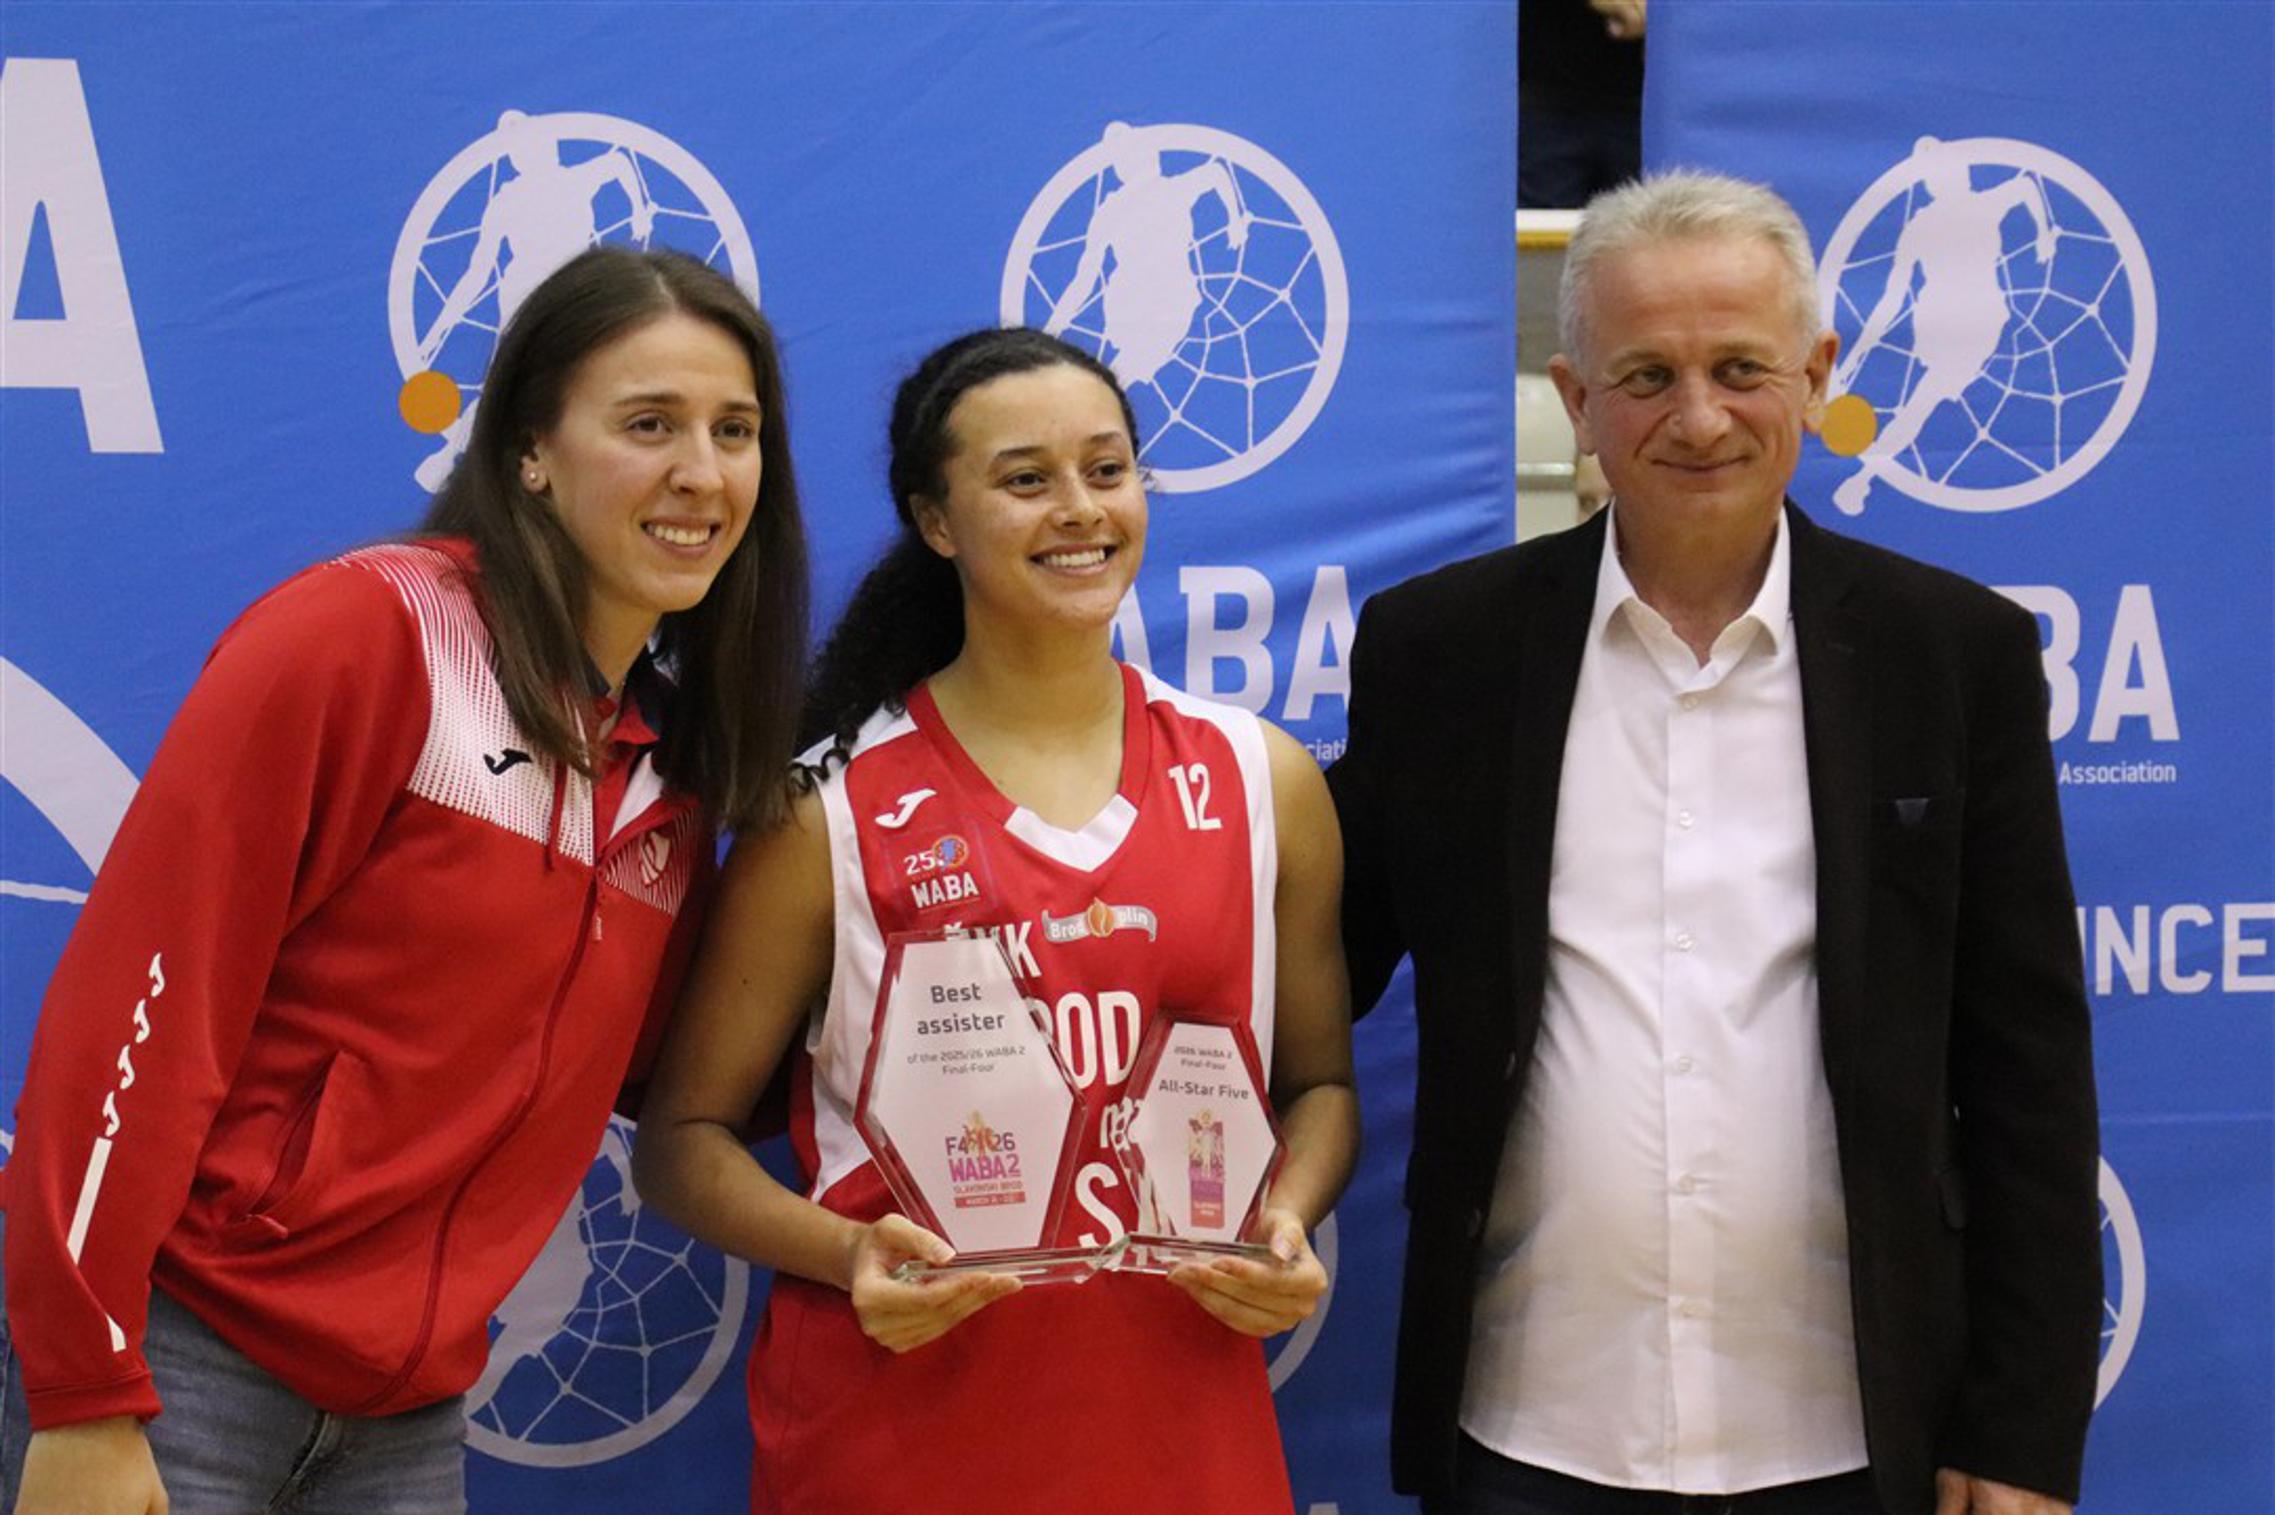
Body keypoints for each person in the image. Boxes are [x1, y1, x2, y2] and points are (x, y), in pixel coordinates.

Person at [1330, 171, 2099, 1515]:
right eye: (1646, 376)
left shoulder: (1950, 655)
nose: (1697, 418)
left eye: (1741, 369)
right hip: (1527, 1424)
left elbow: (2024, 1064)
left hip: (1851, 1432)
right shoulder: (1438, 651)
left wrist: (2023, 1426)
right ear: (1575, 400)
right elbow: (1305, 969)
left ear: (1816, 375)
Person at [0, 245, 810, 1515]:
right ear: (529, 450)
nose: (702, 473)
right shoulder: (370, 637)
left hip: (408, 1418)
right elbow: (142, 1013)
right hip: (179, 1369)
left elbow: (680, 1077)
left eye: (735, 430)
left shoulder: (666, 771)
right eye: (648, 424)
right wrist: (84, 1387)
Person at [632, 326, 1357, 1515]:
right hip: (897, 1437)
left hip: (1179, 1422)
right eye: (1025, 479)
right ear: (936, 520)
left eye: (1106, 470)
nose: (1078, 509)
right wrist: (847, 1252)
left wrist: (1283, 1219)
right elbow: (680, 1143)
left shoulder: (1261, 780)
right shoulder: (827, 811)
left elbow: (1319, 1087)